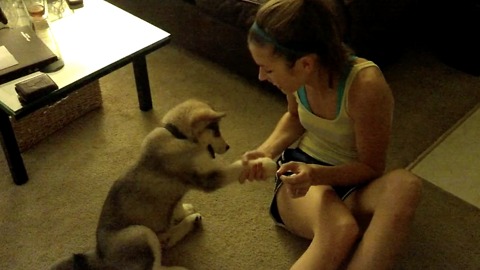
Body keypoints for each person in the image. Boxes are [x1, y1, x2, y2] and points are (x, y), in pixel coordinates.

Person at [238, 0, 423, 269]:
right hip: (302, 181)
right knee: (340, 227)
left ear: (306, 64)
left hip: (354, 180)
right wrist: (266, 151)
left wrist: (318, 174)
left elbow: (371, 166)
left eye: (268, 68)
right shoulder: (296, 77)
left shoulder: (365, 85)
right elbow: (293, 116)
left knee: (405, 186)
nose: (261, 77)